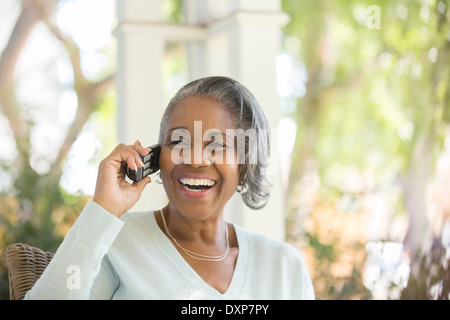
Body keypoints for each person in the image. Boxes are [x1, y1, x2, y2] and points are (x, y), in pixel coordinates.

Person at [25, 76, 314, 299]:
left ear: (245, 165)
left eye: (217, 144)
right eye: (178, 141)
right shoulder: (113, 242)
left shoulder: (284, 267)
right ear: (156, 157)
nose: (195, 158)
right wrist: (104, 208)